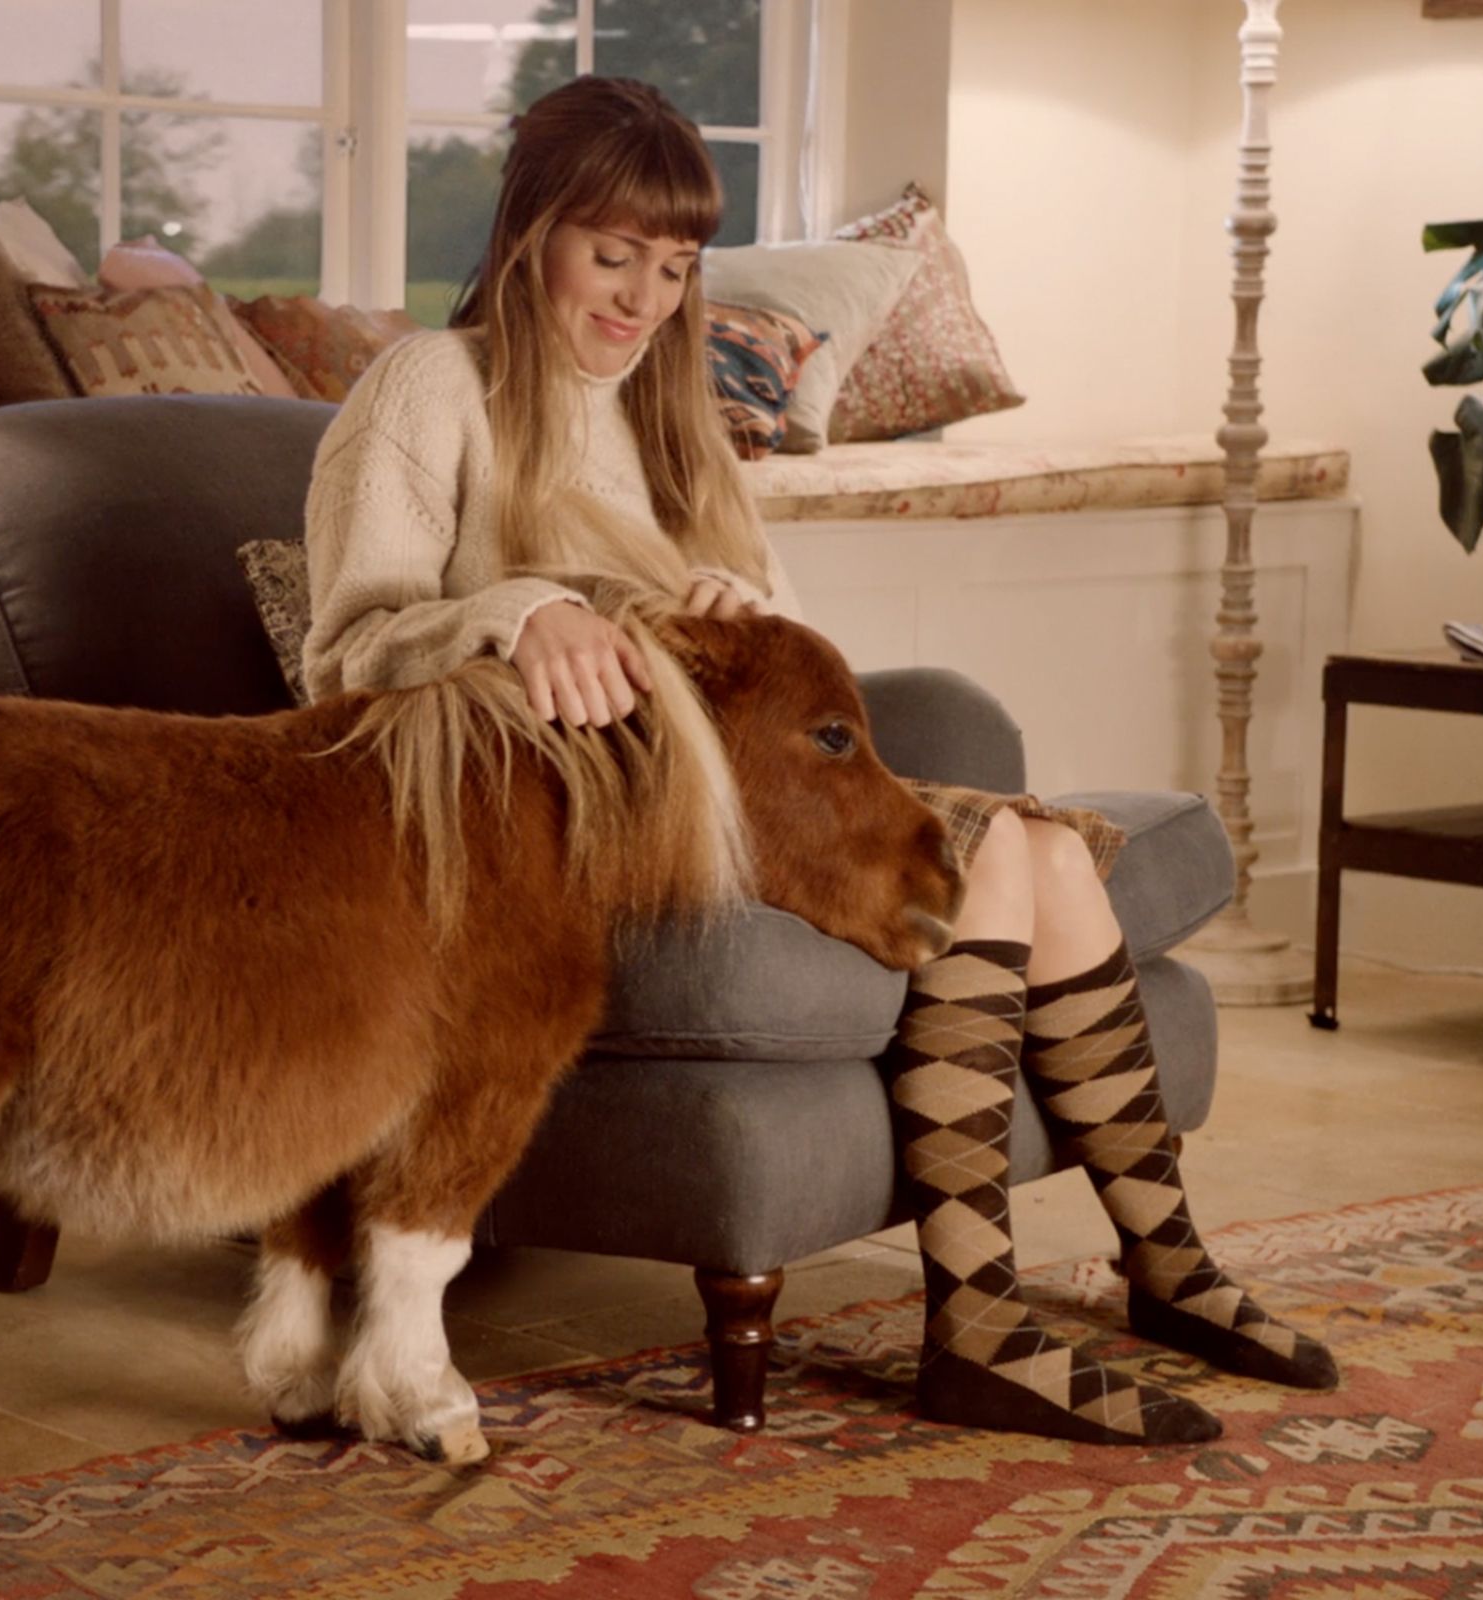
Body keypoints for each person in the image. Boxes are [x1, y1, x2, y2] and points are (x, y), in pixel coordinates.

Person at [301, 75, 1336, 1446]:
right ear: (531, 233)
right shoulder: (432, 388)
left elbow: (791, 674)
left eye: (675, 268)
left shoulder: (675, 418)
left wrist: (748, 616)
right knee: (998, 850)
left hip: (743, 799)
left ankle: (1159, 1267)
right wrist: (521, 611)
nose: (643, 300)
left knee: (1038, 846)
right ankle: (991, 1322)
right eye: (612, 257)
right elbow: (342, 656)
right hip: (593, 832)